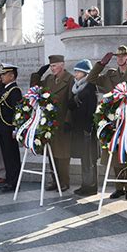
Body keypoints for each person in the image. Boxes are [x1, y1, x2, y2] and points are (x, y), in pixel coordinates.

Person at [87, 45, 127, 200]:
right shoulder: (110, 74)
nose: (119, 59)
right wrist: (101, 64)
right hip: (113, 119)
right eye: (117, 57)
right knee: (114, 152)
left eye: (123, 56)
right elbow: (90, 79)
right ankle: (119, 188)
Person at [31, 55, 73, 192]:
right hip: (50, 122)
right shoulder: (49, 79)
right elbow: (35, 89)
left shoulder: (70, 79)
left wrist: (68, 120)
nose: (52, 68)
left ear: (62, 65)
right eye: (51, 66)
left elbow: (72, 102)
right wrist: (37, 74)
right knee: (52, 153)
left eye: (54, 66)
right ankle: (55, 180)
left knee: (63, 155)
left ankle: (64, 182)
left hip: (63, 122)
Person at [68, 59, 99, 196]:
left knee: (89, 159)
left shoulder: (90, 87)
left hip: (88, 129)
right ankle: (84, 184)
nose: (75, 74)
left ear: (85, 73)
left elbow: (92, 109)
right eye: (75, 71)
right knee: (83, 158)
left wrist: (88, 127)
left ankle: (91, 186)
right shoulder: (77, 87)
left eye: (78, 71)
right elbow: (71, 105)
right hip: (79, 128)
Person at [0, 64, 22, 192]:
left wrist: (15, 128)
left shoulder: (15, 90)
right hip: (2, 127)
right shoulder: (4, 88)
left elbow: (17, 111)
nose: (1, 77)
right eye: (1, 74)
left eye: (3, 74)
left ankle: (14, 182)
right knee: (6, 155)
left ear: (11, 76)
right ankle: (9, 180)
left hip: (9, 128)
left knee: (12, 156)